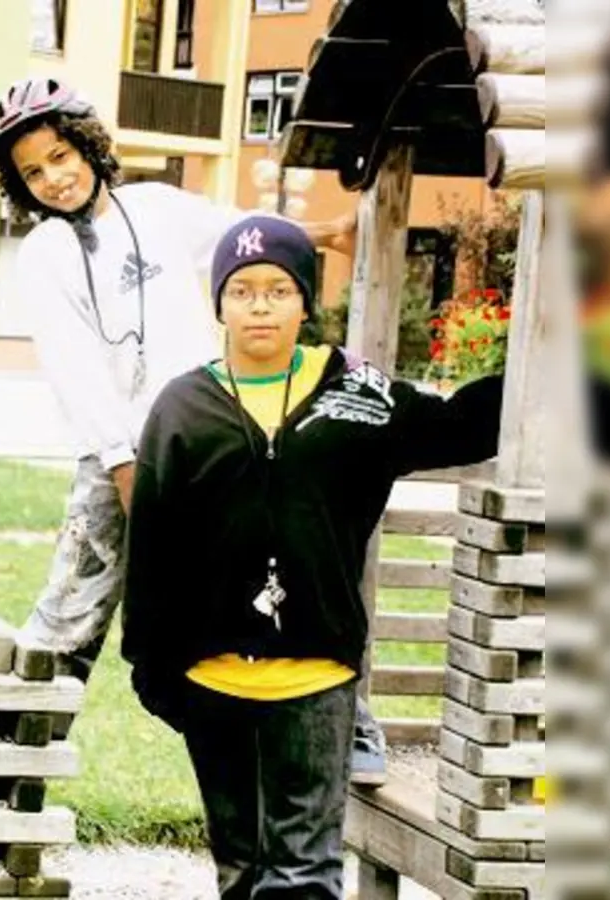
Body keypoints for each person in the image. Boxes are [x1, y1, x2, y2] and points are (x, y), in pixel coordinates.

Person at [0, 76, 389, 784]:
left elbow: (242, 238)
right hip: (119, 453)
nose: (53, 177)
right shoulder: (44, 254)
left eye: (60, 156)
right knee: (75, 604)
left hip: (217, 437)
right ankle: (14, 760)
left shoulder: (158, 207)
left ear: (89, 143)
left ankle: (353, 732)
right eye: (33, 172)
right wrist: (124, 467)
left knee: (284, 570)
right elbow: (74, 369)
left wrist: (329, 234)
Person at [121, 215, 503, 899]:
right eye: (241, 291)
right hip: (211, 680)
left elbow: (459, 428)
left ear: (305, 300)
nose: (260, 305)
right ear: (220, 306)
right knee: (240, 869)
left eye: (277, 289)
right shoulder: (183, 406)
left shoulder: (357, 393)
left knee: (304, 875)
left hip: (317, 680)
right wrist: (151, 665)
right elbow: (151, 543)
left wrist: (558, 357)